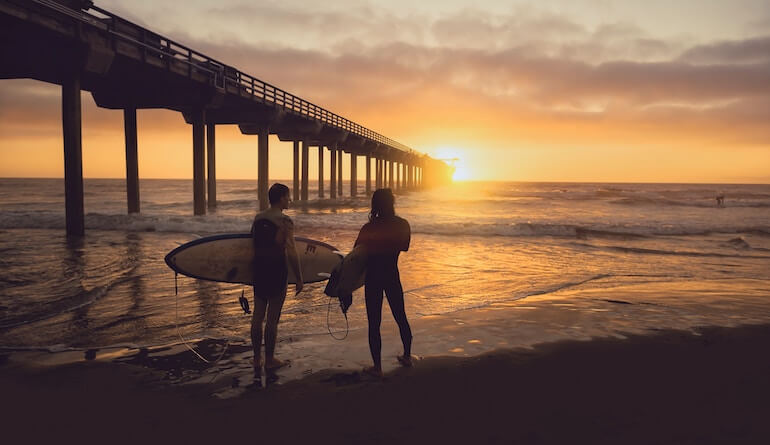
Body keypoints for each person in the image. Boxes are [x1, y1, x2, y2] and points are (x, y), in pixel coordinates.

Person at [354, 188, 412, 377]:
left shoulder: (368, 228)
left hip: (373, 277)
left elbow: (356, 255)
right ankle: (407, 356)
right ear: (393, 203)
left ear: (375, 205)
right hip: (391, 274)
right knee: (400, 316)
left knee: (374, 322)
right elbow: (405, 247)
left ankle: (377, 367)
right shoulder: (403, 224)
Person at [250, 183, 303, 375]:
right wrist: (299, 278)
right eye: (288, 196)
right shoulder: (285, 221)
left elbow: (252, 245)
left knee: (257, 316)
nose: (289, 200)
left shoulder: (258, 218)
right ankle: (270, 359)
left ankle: (257, 358)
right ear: (281, 198)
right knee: (272, 320)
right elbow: (291, 250)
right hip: (276, 271)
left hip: (259, 270)